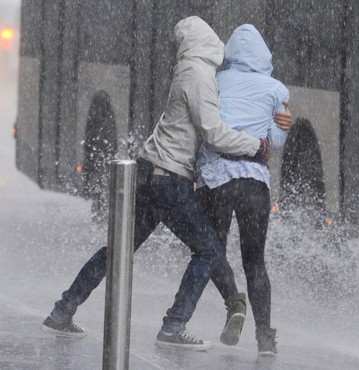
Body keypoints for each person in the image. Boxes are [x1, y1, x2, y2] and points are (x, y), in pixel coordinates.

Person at [40, 16, 291, 351]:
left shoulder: (188, 69)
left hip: (151, 171)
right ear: (208, 41)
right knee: (208, 249)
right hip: (169, 178)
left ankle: (62, 311)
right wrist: (256, 145)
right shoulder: (200, 75)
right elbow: (213, 133)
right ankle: (175, 324)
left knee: (118, 250)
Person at [195, 24, 288, 355]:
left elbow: (205, 128)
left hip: (216, 179)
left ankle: (235, 304)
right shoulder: (277, 89)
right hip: (254, 183)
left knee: (212, 252)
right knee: (256, 261)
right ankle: (265, 337)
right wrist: (279, 123)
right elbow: (274, 142)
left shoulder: (215, 82)